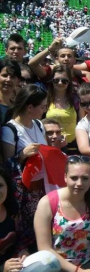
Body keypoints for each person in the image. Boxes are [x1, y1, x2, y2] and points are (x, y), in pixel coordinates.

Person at [1, 84, 48, 252]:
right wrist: (22, 155)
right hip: (24, 193)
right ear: (30, 107)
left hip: (42, 187)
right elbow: (7, 167)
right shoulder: (11, 130)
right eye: (42, 106)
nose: (44, 110)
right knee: (26, 233)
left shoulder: (38, 124)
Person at [0, 166, 49, 272]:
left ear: (7, 186)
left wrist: (22, 249)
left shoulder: (12, 210)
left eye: (0, 185)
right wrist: (1, 269)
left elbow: (22, 237)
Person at [45, 65, 81, 155]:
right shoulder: (45, 99)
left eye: (64, 81)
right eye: (56, 80)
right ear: (51, 81)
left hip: (72, 146)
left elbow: (81, 122)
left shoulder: (76, 99)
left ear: (69, 82)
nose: (60, 83)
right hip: (50, 145)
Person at [0, 57, 22, 124]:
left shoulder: (18, 108)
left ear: (18, 81)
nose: (8, 79)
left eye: (12, 77)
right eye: (5, 75)